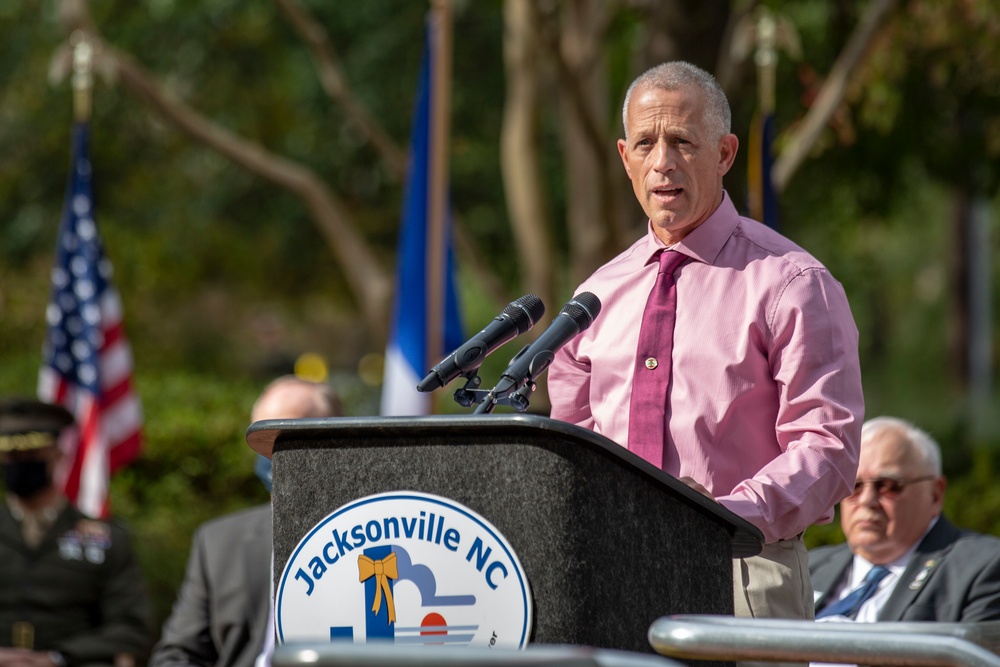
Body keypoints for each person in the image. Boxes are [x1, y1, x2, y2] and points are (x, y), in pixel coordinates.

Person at [547, 60, 864, 620]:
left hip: (744, 567)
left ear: (724, 154)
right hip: (610, 574)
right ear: (625, 159)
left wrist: (723, 515)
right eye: (645, 142)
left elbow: (828, 447)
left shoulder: (792, 283)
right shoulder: (593, 298)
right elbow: (572, 453)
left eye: (683, 142)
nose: (662, 162)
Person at [150, 375, 342, 667]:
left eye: (288, 435)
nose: (272, 451)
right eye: (261, 437)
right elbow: (178, 654)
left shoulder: (367, 536)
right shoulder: (217, 542)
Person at [0, 397, 153, 667]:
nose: (20, 463)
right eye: (12, 455)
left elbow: (131, 627)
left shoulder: (106, 538)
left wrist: (57, 658)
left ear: (57, 453)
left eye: (32, 454)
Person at [810, 416, 1000, 622]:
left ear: (935, 494)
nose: (866, 500)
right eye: (853, 486)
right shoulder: (808, 567)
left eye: (888, 485)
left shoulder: (983, 568)